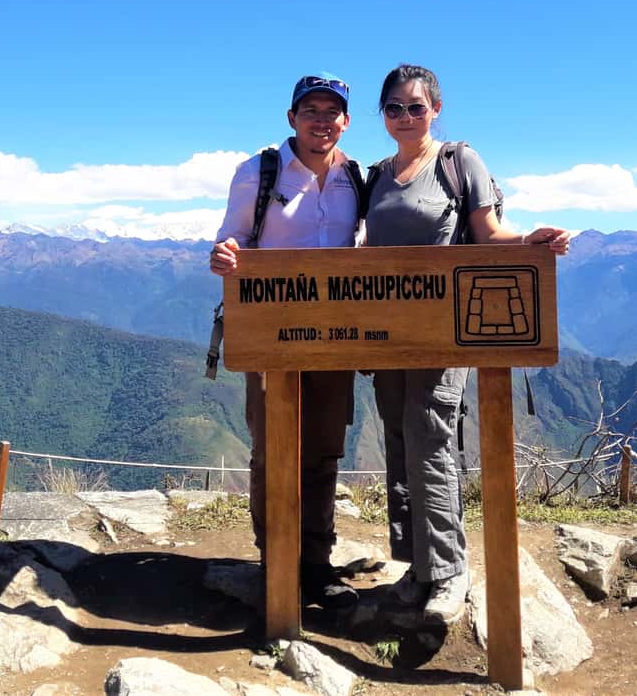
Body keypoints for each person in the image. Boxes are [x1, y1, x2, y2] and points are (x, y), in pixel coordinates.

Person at [365, 64, 570, 623]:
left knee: (431, 441)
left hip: (444, 332)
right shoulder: (377, 175)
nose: (405, 117)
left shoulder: (458, 163)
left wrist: (529, 240)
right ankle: (417, 567)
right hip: (389, 336)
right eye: (393, 108)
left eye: (415, 106)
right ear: (382, 115)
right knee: (400, 441)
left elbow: (489, 232)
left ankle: (449, 571)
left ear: (436, 108)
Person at [210, 75, 361, 610]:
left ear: (346, 121)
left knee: (322, 452)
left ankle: (316, 566)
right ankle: (275, 559)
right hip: (271, 332)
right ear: (292, 117)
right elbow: (231, 238)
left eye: (333, 111)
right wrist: (225, 255)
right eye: (311, 109)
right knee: (272, 451)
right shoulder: (259, 171)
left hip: (337, 334)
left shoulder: (356, 177)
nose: (322, 120)